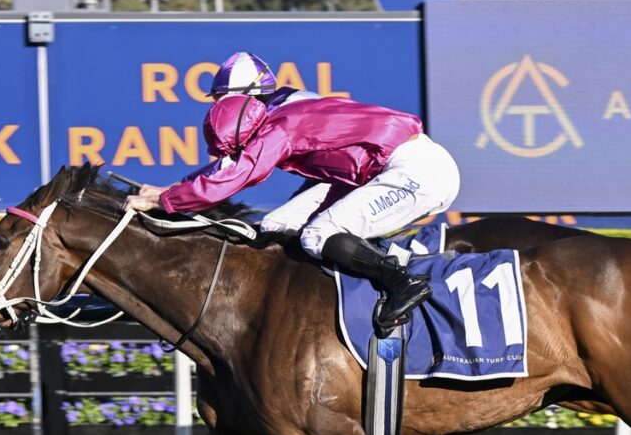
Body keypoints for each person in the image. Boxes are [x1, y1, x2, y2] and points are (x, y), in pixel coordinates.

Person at [124, 52, 460, 328]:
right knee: (275, 227)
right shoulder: (280, 104)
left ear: (247, 97)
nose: (219, 107)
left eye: (223, 99)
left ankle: (402, 282)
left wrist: (164, 201)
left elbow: (232, 178)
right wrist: (171, 189)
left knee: (318, 235)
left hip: (418, 171)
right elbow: (231, 164)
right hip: (372, 172)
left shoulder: (280, 126)